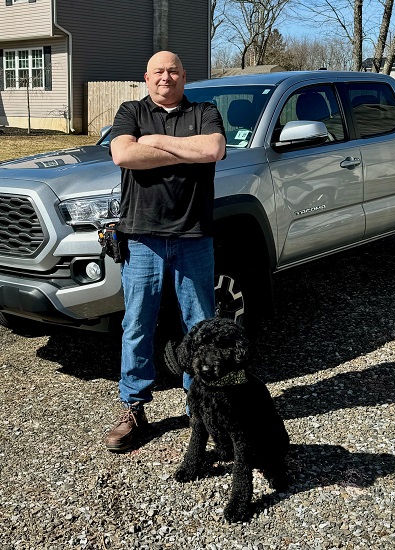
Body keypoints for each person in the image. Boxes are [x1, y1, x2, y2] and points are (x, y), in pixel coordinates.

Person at [104, 51, 226, 452]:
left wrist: (153, 142)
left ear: (184, 76)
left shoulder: (205, 111)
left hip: (194, 236)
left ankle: (202, 406)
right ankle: (133, 406)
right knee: (137, 324)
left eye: (173, 71)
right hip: (142, 238)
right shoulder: (131, 111)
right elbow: (124, 154)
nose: (166, 77)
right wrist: (184, 149)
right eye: (158, 71)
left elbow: (212, 149)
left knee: (200, 325)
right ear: (146, 77)